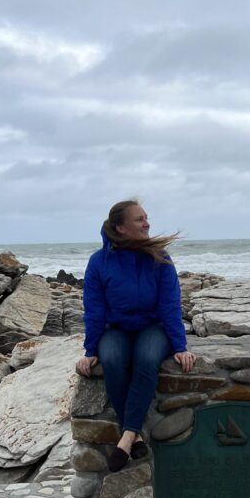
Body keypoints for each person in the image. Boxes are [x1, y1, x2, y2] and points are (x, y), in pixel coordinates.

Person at [75, 199, 196, 471]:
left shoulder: (160, 257)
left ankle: (127, 434)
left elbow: (170, 304)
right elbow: (94, 309)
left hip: (153, 327)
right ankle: (135, 435)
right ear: (121, 227)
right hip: (117, 328)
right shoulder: (99, 261)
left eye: (146, 218)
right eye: (140, 219)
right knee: (112, 359)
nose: (147, 223)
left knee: (147, 357)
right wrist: (90, 351)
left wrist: (180, 346)